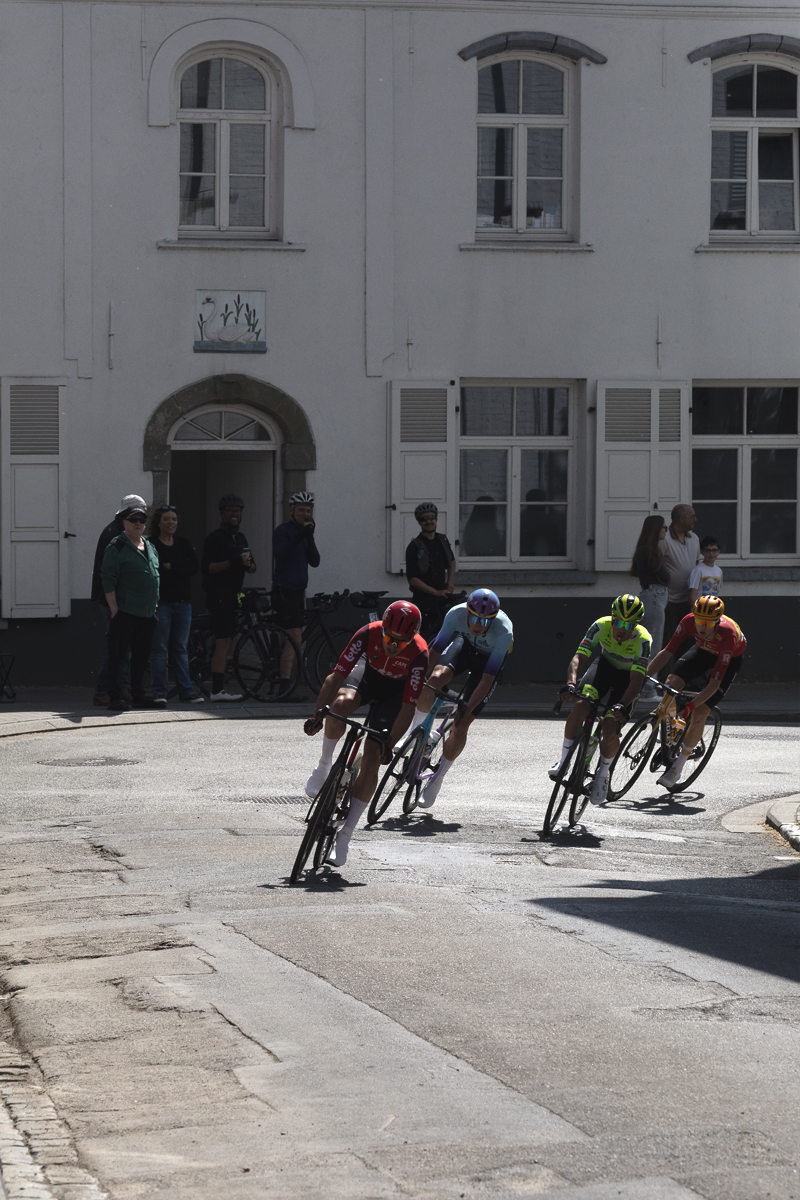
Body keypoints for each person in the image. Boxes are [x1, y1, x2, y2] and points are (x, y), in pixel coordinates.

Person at [303, 601, 427, 868]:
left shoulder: (419, 654)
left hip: (395, 694)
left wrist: (389, 742)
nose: (393, 645)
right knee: (339, 705)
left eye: (401, 642)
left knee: (372, 756)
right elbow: (333, 679)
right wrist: (317, 716)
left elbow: (407, 708)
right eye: (389, 638)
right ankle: (325, 766)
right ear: (382, 628)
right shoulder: (368, 633)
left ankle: (345, 836)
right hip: (368, 676)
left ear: (411, 639)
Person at [412, 588, 513, 808]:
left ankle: (438, 779)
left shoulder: (505, 631)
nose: (478, 625)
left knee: (461, 723)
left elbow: (486, 680)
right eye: (474, 618)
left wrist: (467, 709)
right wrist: (418, 682)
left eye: (485, 621)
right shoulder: (455, 614)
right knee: (434, 678)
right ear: (467, 612)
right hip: (464, 648)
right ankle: (417, 734)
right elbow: (436, 650)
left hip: (487, 665)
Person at [551, 594, 651, 807]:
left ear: (636, 625)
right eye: (618, 622)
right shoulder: (600, 626)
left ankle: (603, 775)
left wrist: (623, 705)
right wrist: (570, 684)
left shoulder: (643, 640)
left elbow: (636, 680)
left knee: (609, 725)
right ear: (612, 618)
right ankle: (563, 762)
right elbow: (579, 657)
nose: (622, 629)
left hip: (628, 680)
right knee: (580, 705)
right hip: (604, 668)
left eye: (629, 624)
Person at [645, 595, 745, 790]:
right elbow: (667, 652)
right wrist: (643, 677)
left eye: (708, 623)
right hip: (702, 650)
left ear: (717, 621)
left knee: (700, 712)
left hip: (729, 658)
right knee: (671, 683)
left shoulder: (728, 635)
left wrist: (691, 706)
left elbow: (714, 684)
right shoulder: (688, 621)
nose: (702, 627)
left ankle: (676, 769)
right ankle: (674, 729)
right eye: (700, 621)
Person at [101, 506, 161, 711]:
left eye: (142, 520)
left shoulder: (150, 546)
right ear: (124, 523)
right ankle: (115, 697)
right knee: (118, 657)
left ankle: (138, 696)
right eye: (133, 519)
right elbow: (108, 578)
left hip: (146, 613)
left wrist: (154, 606)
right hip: (124, 612)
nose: (138, 523)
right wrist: (114, 608)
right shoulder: (116, 546)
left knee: (141, 659)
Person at [201, 494, 257, 701]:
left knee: (228, 641)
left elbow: (252, 567)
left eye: (237, 511)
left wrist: (248, 564)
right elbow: (206, 567)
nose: (234, 514)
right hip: (219, 594)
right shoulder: (215, 538)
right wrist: (232, 562)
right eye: (230, 511)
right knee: (223, 642)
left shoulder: (241, 538)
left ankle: (218, 687)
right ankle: (216, 690)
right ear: (222, 514)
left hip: (235, 594)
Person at [91, 493, 146, 704]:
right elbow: (109, 572)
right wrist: (114, 603)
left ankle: (121, 688)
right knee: (115, 647)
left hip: (121, 599)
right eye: (136, 518)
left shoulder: (115, 530)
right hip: (115, 600)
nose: (140, 522)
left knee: (122, 647)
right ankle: (104, 690)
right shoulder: (115, 536)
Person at [147, 505, 201, 705]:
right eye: (167, 519)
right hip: (162, 604)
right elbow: (155, 571)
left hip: (183, 604)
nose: (171, 522)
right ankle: (159, 692)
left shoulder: (183, 543)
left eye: (174, 519)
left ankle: (186, 692)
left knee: (180, 648)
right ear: (159, 523)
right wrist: (178, 570)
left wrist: (173, 567)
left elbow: (194, 566)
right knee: (159, 648)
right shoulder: (151, 544)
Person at [272, 491, 320, 697]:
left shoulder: (306, 534)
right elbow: (281, 555)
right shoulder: (283, 531)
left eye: (308, 511)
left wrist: (310, 537)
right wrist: (301, 535)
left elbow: (315, 561)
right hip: (285, 590)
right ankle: (285, 685)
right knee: (295, 637)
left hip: (298, 591)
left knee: (293, 638)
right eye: (301, 510)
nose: (305, 514)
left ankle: (284, 683)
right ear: (291, 511)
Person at [631, 515, 669, 702]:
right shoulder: (649, 550)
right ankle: (647, 690)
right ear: (656, 530)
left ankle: (642, 688)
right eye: (664, 528)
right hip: (654, 596)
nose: (665, 531)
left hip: (652, 595)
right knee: (653, 647)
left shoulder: (645, 549)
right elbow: (665, 576)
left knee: (648, 644)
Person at [405, 502, 455, 643]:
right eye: (424, 519)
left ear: (436, 519)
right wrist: (435, 592)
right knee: (420, 641)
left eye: (432, 517)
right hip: (423, 603)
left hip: (441, 601)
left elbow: (451, 561)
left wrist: (450, 582)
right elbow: (412, 579)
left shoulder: (442, 540)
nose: (429, 521)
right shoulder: (414, 546)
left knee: (441, 640)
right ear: (419, 522)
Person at [661, 504, 702, 652]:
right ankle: (662, 675)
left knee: (687, 644)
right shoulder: (664, 539)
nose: (695, 519)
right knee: (666, 643)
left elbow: (697, 565)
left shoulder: (694, 539)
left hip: (688, 601)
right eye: (692, 516)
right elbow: (655, 565)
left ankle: (681, 675)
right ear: (682, 518)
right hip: (668, 602)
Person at [688, 537, 723, 606]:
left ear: (718, 552)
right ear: (702, 552)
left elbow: (717, 591)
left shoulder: (719, 571)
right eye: (707, 550)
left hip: (712, 610)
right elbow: (692, 595)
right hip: (700, 611)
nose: (711, 553)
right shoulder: (698, 570)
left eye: (714, 550)